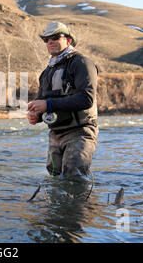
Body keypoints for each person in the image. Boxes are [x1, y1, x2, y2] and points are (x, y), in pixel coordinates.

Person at [27, 21, 99, 180]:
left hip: (80, 131)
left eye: (55, 37)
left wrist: (48, 104)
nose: (50, 41)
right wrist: (36, 116)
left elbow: (87, 98)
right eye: (46, 39)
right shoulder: (46, 72)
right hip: (55, 133)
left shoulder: (81, 63)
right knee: (54, 177)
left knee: (73, 176)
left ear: (68, 40)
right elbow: (43, 102)